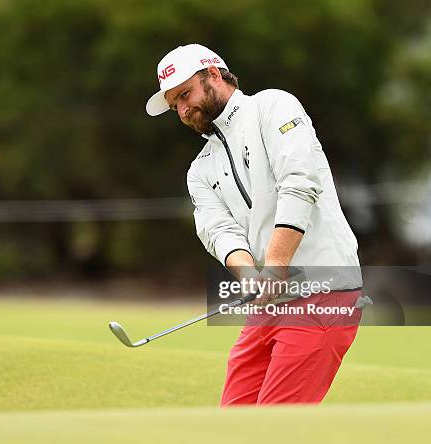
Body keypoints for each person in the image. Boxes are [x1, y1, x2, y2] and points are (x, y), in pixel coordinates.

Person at [145, 43, 369, 405]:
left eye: (185, 94)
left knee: (273, 428)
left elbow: (299, 183)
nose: (183, 110)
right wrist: (249, 275)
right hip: (269, 303)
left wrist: (276, 266)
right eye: (174, 105)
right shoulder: (200, 169)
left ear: (213, 75)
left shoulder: (272, 106)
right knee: (235, 419)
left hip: (323, 291)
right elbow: (218, 231)